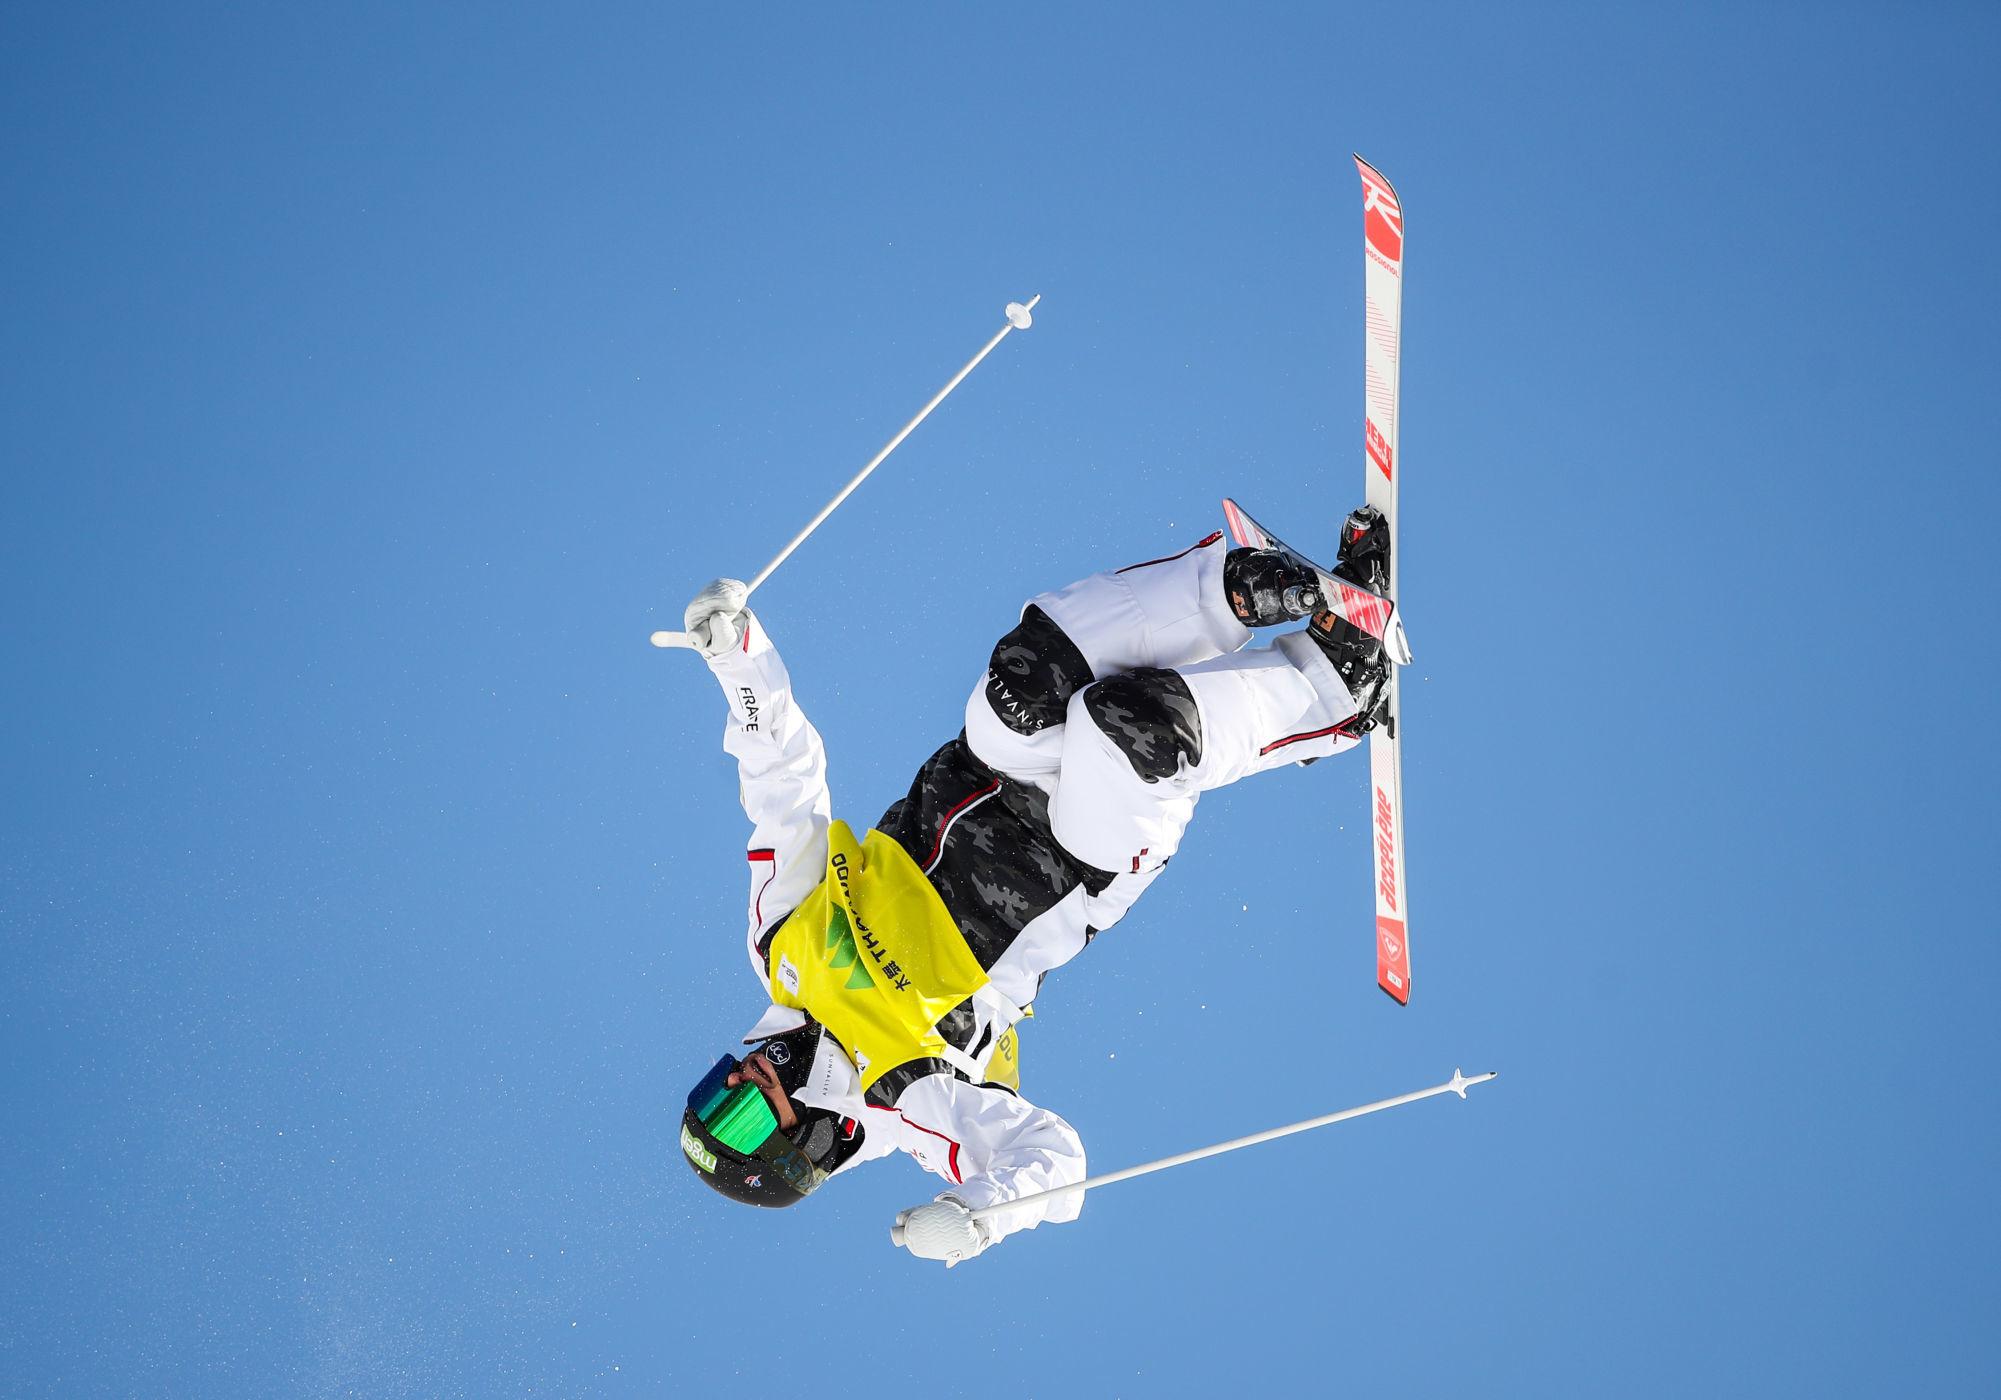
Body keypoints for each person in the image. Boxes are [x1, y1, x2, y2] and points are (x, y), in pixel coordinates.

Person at [675, 508, 1395, 1266]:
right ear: (806, 1146)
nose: (743, 1079)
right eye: (746, 1119)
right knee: (1125, 726)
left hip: (996, 767)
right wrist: (975, 1214)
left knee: (1013, 692)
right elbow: (1055, 1161)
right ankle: (1329, 692)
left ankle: (1241, 592)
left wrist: (740, 661)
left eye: (716, 1089)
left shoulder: (779, 939)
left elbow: (781, 787)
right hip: (1080, 853)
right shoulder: (903, 1096)